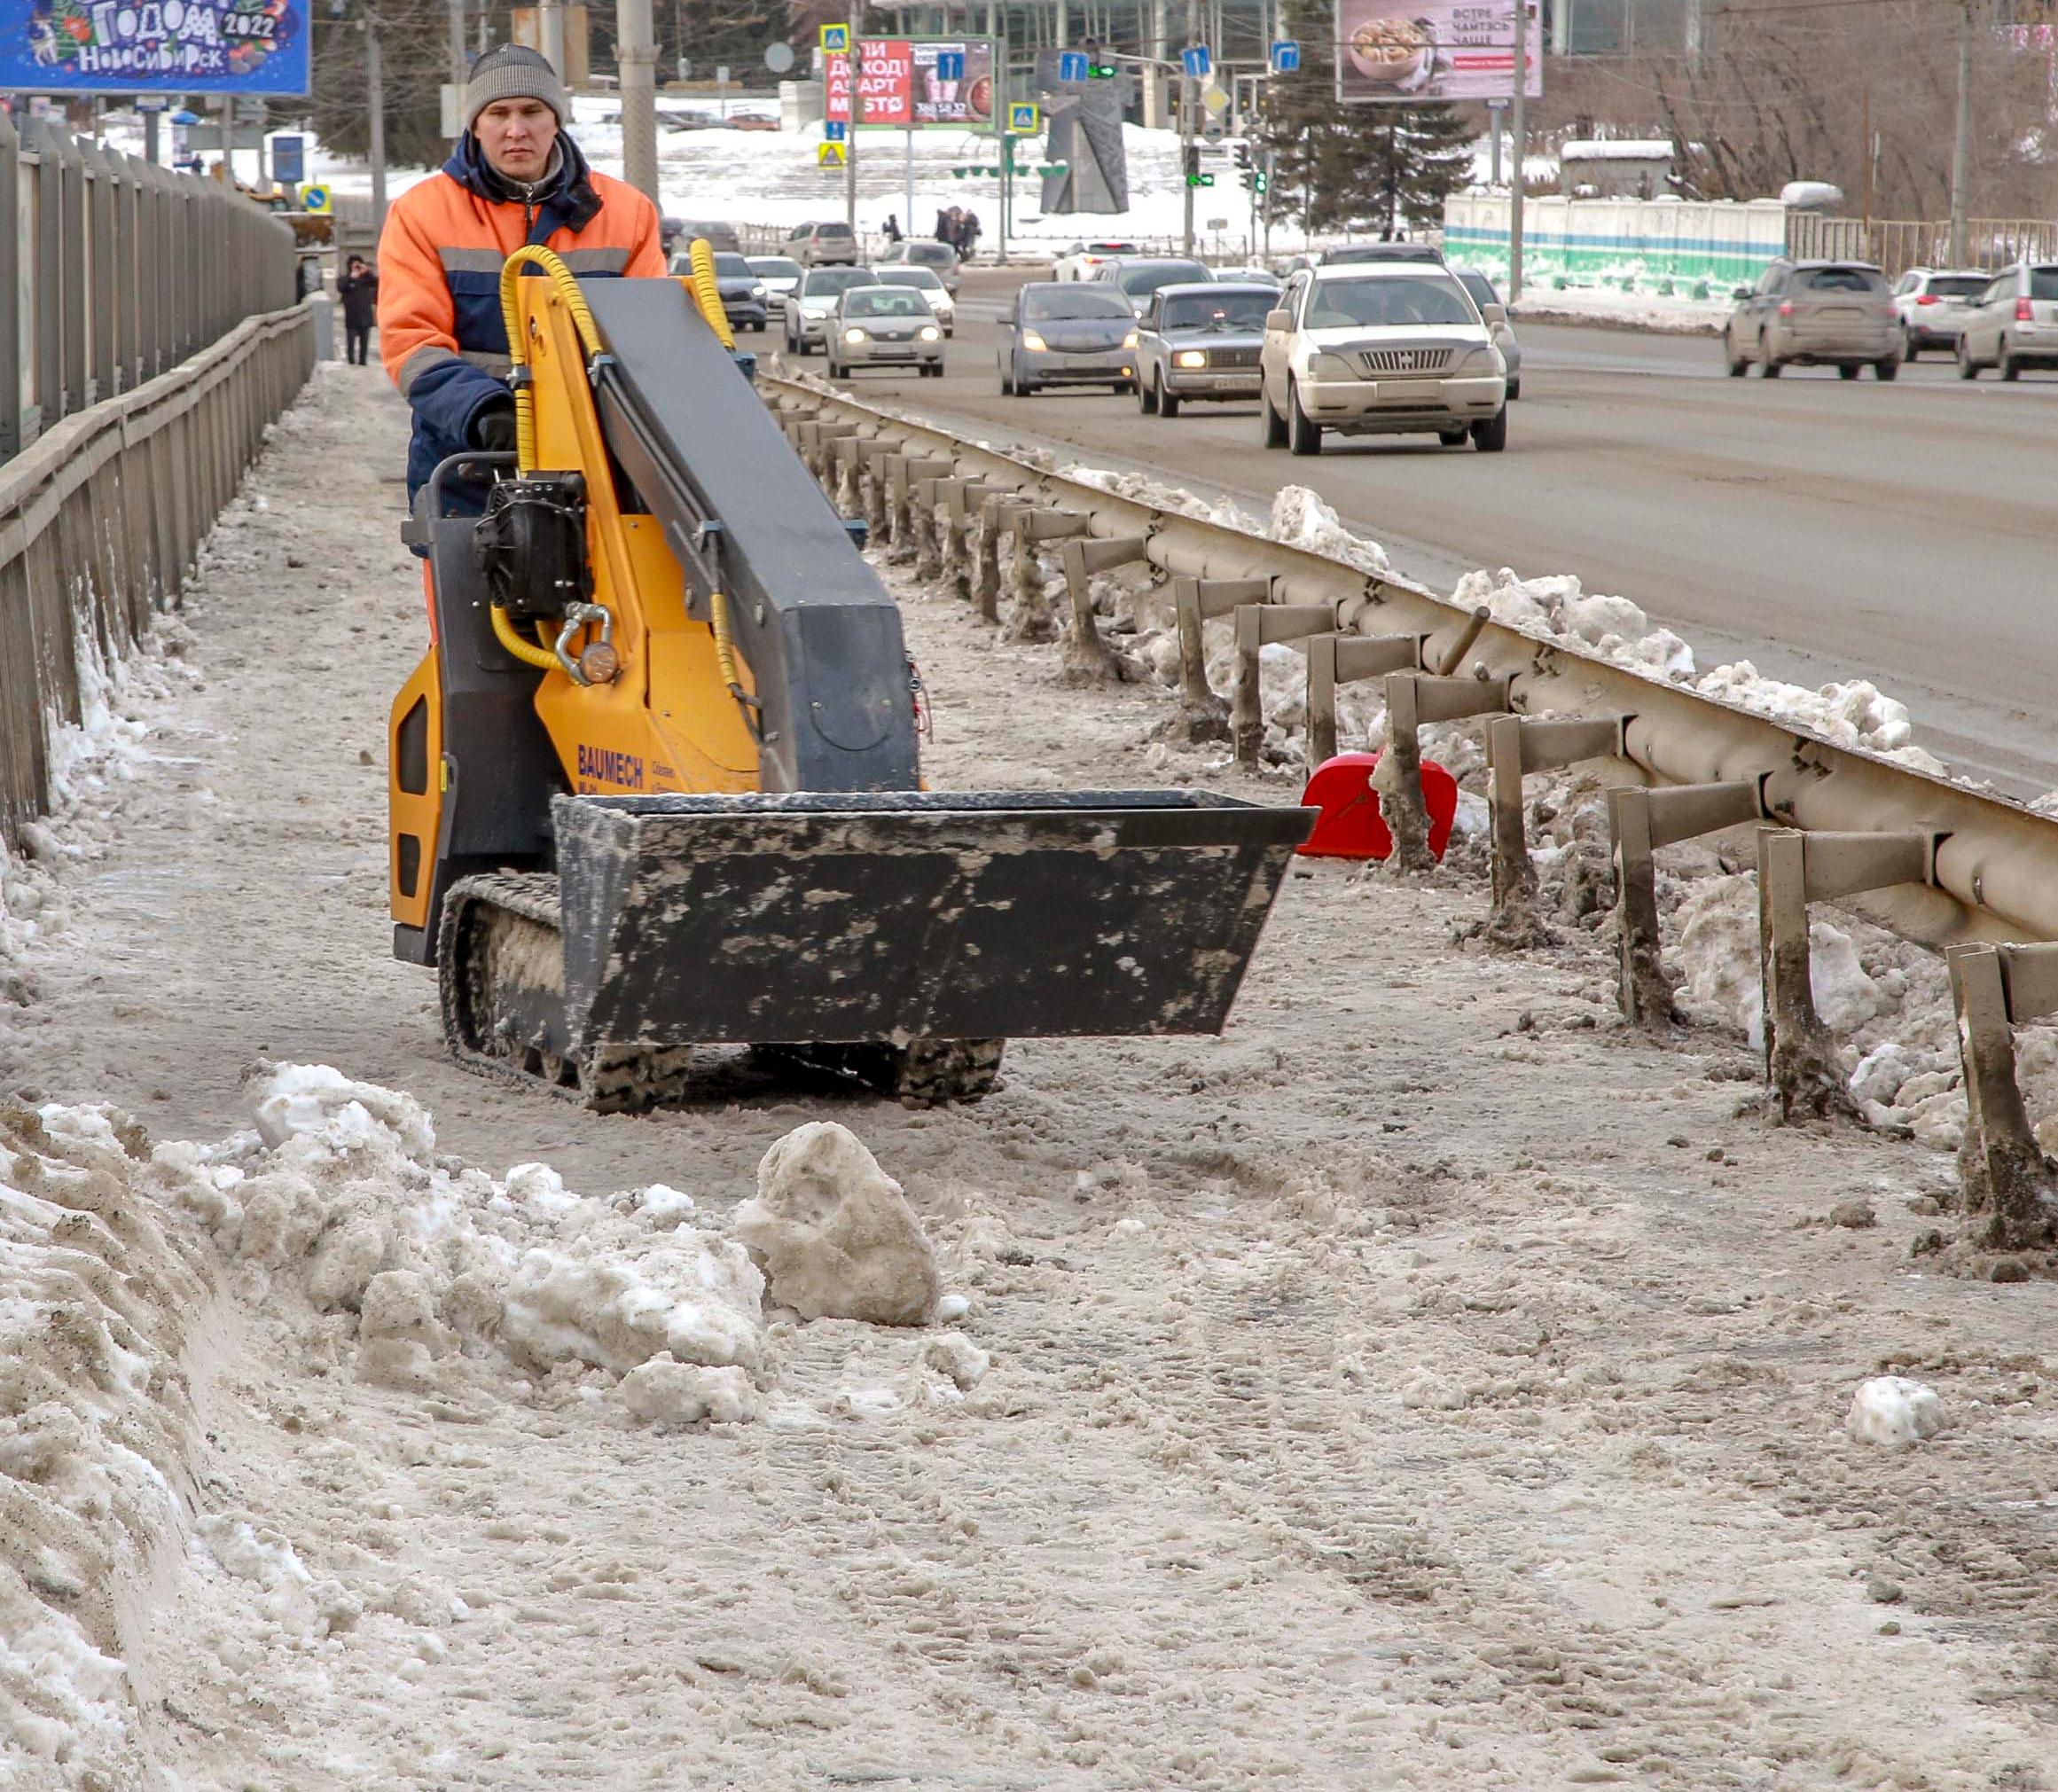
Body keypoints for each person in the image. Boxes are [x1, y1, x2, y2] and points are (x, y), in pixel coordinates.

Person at [376, 44, 665, 522]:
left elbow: (648, 343)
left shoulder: (628, 213)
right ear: (474, 123)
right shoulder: (421, 214)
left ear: (556, 120)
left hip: (597, 469)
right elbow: (411, 342)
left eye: (532, 111)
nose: (516, 130)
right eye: (498, 113)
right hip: (467, 466)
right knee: (469, 596)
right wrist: (484, 410)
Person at [337, 254, 379, 366]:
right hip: (351, 316)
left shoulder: (366, 279)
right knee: (350, 341)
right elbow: (340, 287)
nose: (356, 267)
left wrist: (367, 272)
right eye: (354, 265)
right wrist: (351, 277)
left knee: (364, 341)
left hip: (365, 315)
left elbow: (377, 283)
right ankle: (350, 360)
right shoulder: (345, 278)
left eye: (358, 265)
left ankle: (363, 361)